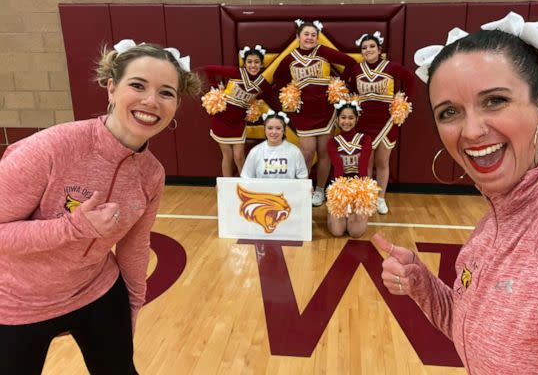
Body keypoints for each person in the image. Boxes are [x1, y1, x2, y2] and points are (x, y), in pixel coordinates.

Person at [374, 12, 538, 374]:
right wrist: (421, 283)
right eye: (449, 111)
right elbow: (471, 328)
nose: (471, 131)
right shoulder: (491, 225)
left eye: (494, 101)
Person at [0, 39, 201, 375]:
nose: (151, 101)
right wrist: (73, 229)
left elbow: (135, 248)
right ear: (111, 88)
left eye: (166, 92)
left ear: (177, 104)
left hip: (96, 290)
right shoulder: (49, 148)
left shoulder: (152, 174)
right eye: (138, 85)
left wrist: (132, 308)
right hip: (18, 302)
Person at [272, 20, 357, 205]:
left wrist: (339, 84)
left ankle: (320, 190)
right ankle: (303, 188)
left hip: (326, 111)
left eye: (313, 35)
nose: (310, 38)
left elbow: (350, 63)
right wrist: (290, 95)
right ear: (298, 37)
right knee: (307, 152)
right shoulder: (290, 58)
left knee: (324, 152)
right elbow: (278, 79)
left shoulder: (323, 52)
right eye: (306, 34)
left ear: (317, 38)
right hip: (303, 114)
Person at [348, 31, 414, 215]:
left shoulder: (391, 67)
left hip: (386, 121)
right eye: (364, 47)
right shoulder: (356, 70)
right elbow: (351, 89)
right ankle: (367, 196)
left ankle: (381, 198)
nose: (368, 50)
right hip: (364, 122)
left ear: (379, 49)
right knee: (366, 162)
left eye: (372, 46)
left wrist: (402, 101)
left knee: (382, 162)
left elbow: (409, 79)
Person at [203, 45, 271, 176]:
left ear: (261, 64)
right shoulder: (236, 73)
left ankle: (245, 186)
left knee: (239, 156)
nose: (253, 65)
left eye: (256, 62)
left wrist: (254, 103)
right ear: (244, 63)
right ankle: (227, 189)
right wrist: (214, 89)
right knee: (227, 155)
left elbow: (266, 94)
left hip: (239, 122)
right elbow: (208, 69)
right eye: (249, 62)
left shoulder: (262, 83)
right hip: (221, 119)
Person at [326, 101, 372, 238]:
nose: (347, 121)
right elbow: (338, 169)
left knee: (355, 232)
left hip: (359, 188)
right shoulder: (332, 142)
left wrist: (359, 196)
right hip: (340, 187)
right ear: (338, 120)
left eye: (351, 118)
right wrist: (342, 197)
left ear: (357, 119)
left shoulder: (365, 139)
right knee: (337, 232)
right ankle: (331, 212)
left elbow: (363, 168)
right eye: (343, 117)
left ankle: (354, 214)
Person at [241, 110, 308, 180]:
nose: (274, 132)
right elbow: (246, 179)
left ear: (284, 130)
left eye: (278, 128)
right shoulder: (255, 152)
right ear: (265, 129)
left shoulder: (295, 152)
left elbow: (303, 179)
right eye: (270, 128)